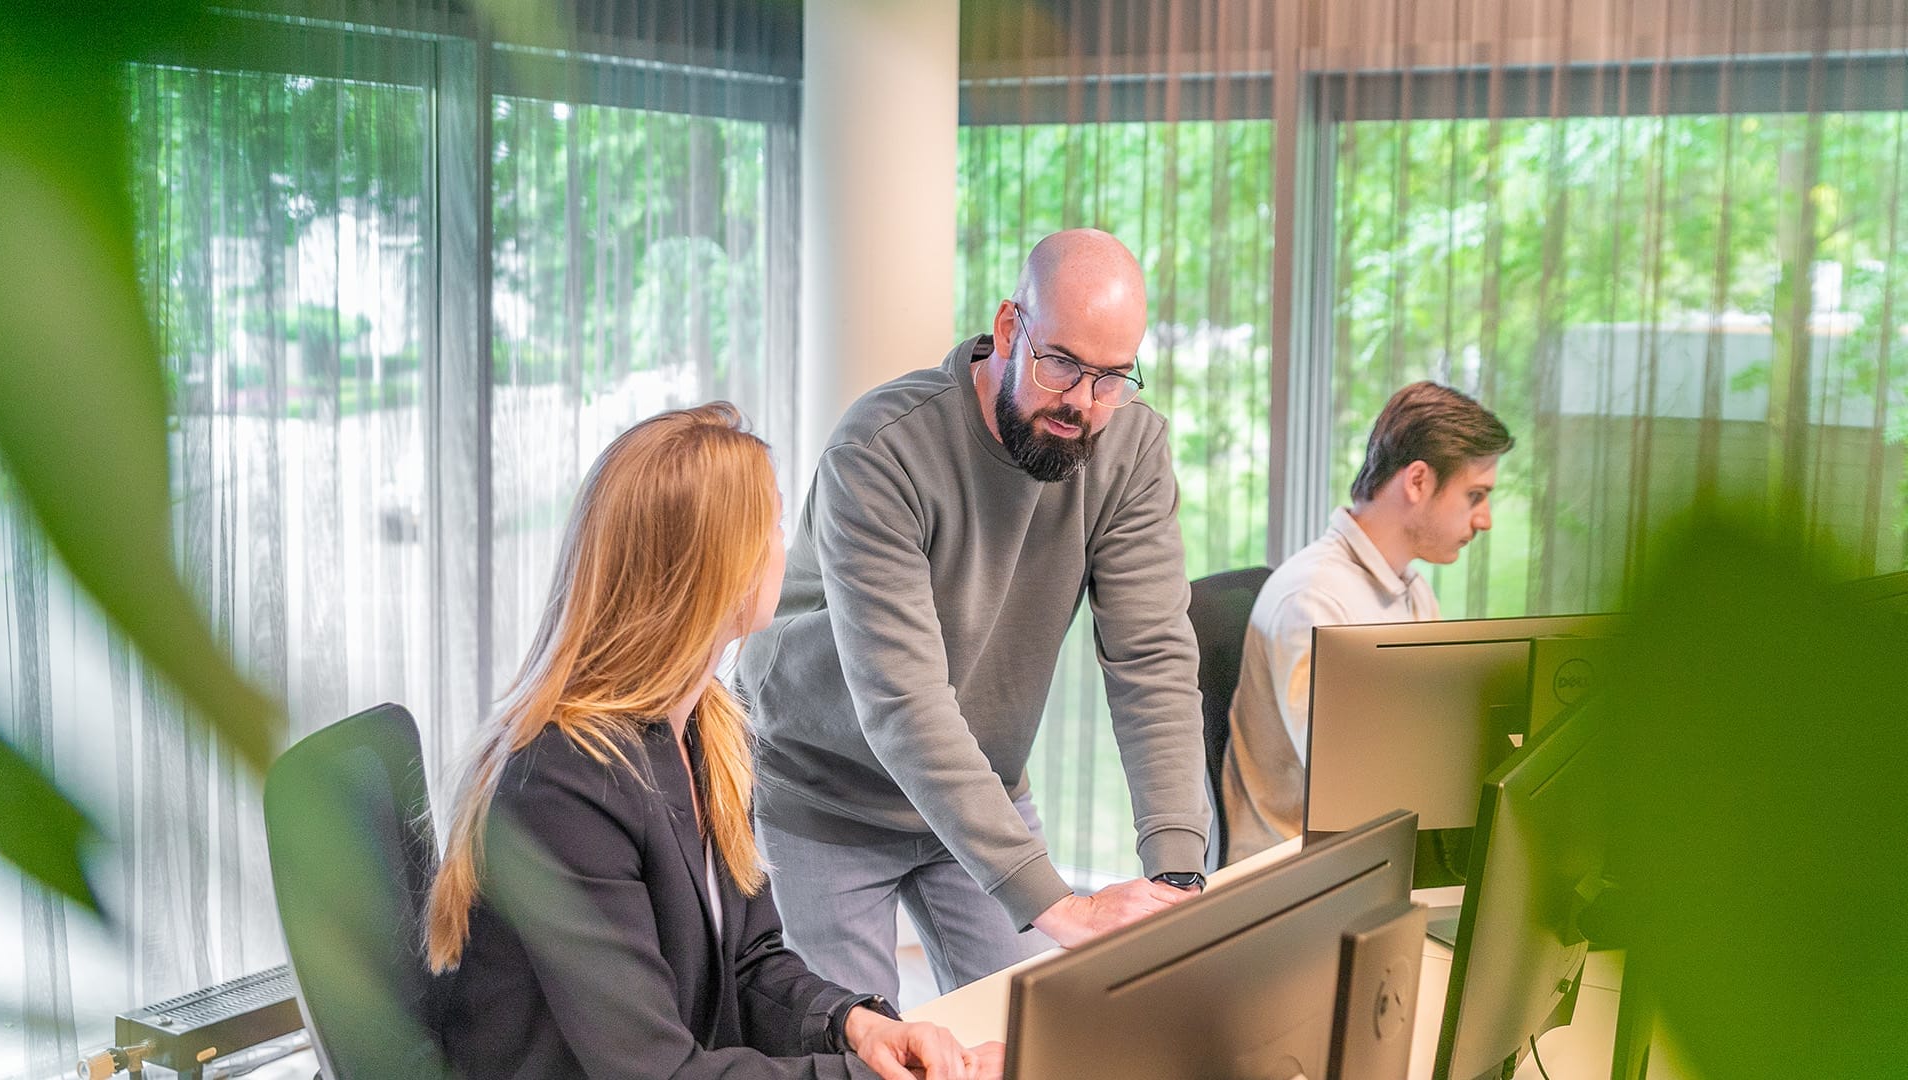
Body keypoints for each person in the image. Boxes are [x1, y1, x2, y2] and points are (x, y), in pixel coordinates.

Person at [423, 404, 999, 1080]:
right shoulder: (563, 784)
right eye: (776, 524)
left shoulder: (702, 728)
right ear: (717, 572)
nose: (786, 544)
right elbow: (659, 1072)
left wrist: (856, 1027)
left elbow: (749, 963)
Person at [736, 229, 1210, 1006]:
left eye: (1113, 378)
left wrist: (1178, 872)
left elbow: (1151, 658)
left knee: (1033, 1033)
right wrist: (1058, 903)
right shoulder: (882, 448)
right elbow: (903, 699)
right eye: (1062, 365)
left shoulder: (1128, 448)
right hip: (825, 791)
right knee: (851, 1052)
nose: (1084, 404)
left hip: (982, 782)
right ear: (1007, 328)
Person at [1220, 381, 1513, 862]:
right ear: (1418, 482)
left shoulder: (1410, 590)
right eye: (1475, 495)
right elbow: (1351, 789)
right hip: (1299, 881)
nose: (1485, 521)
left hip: (1376, 858)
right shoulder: (1314, 600)